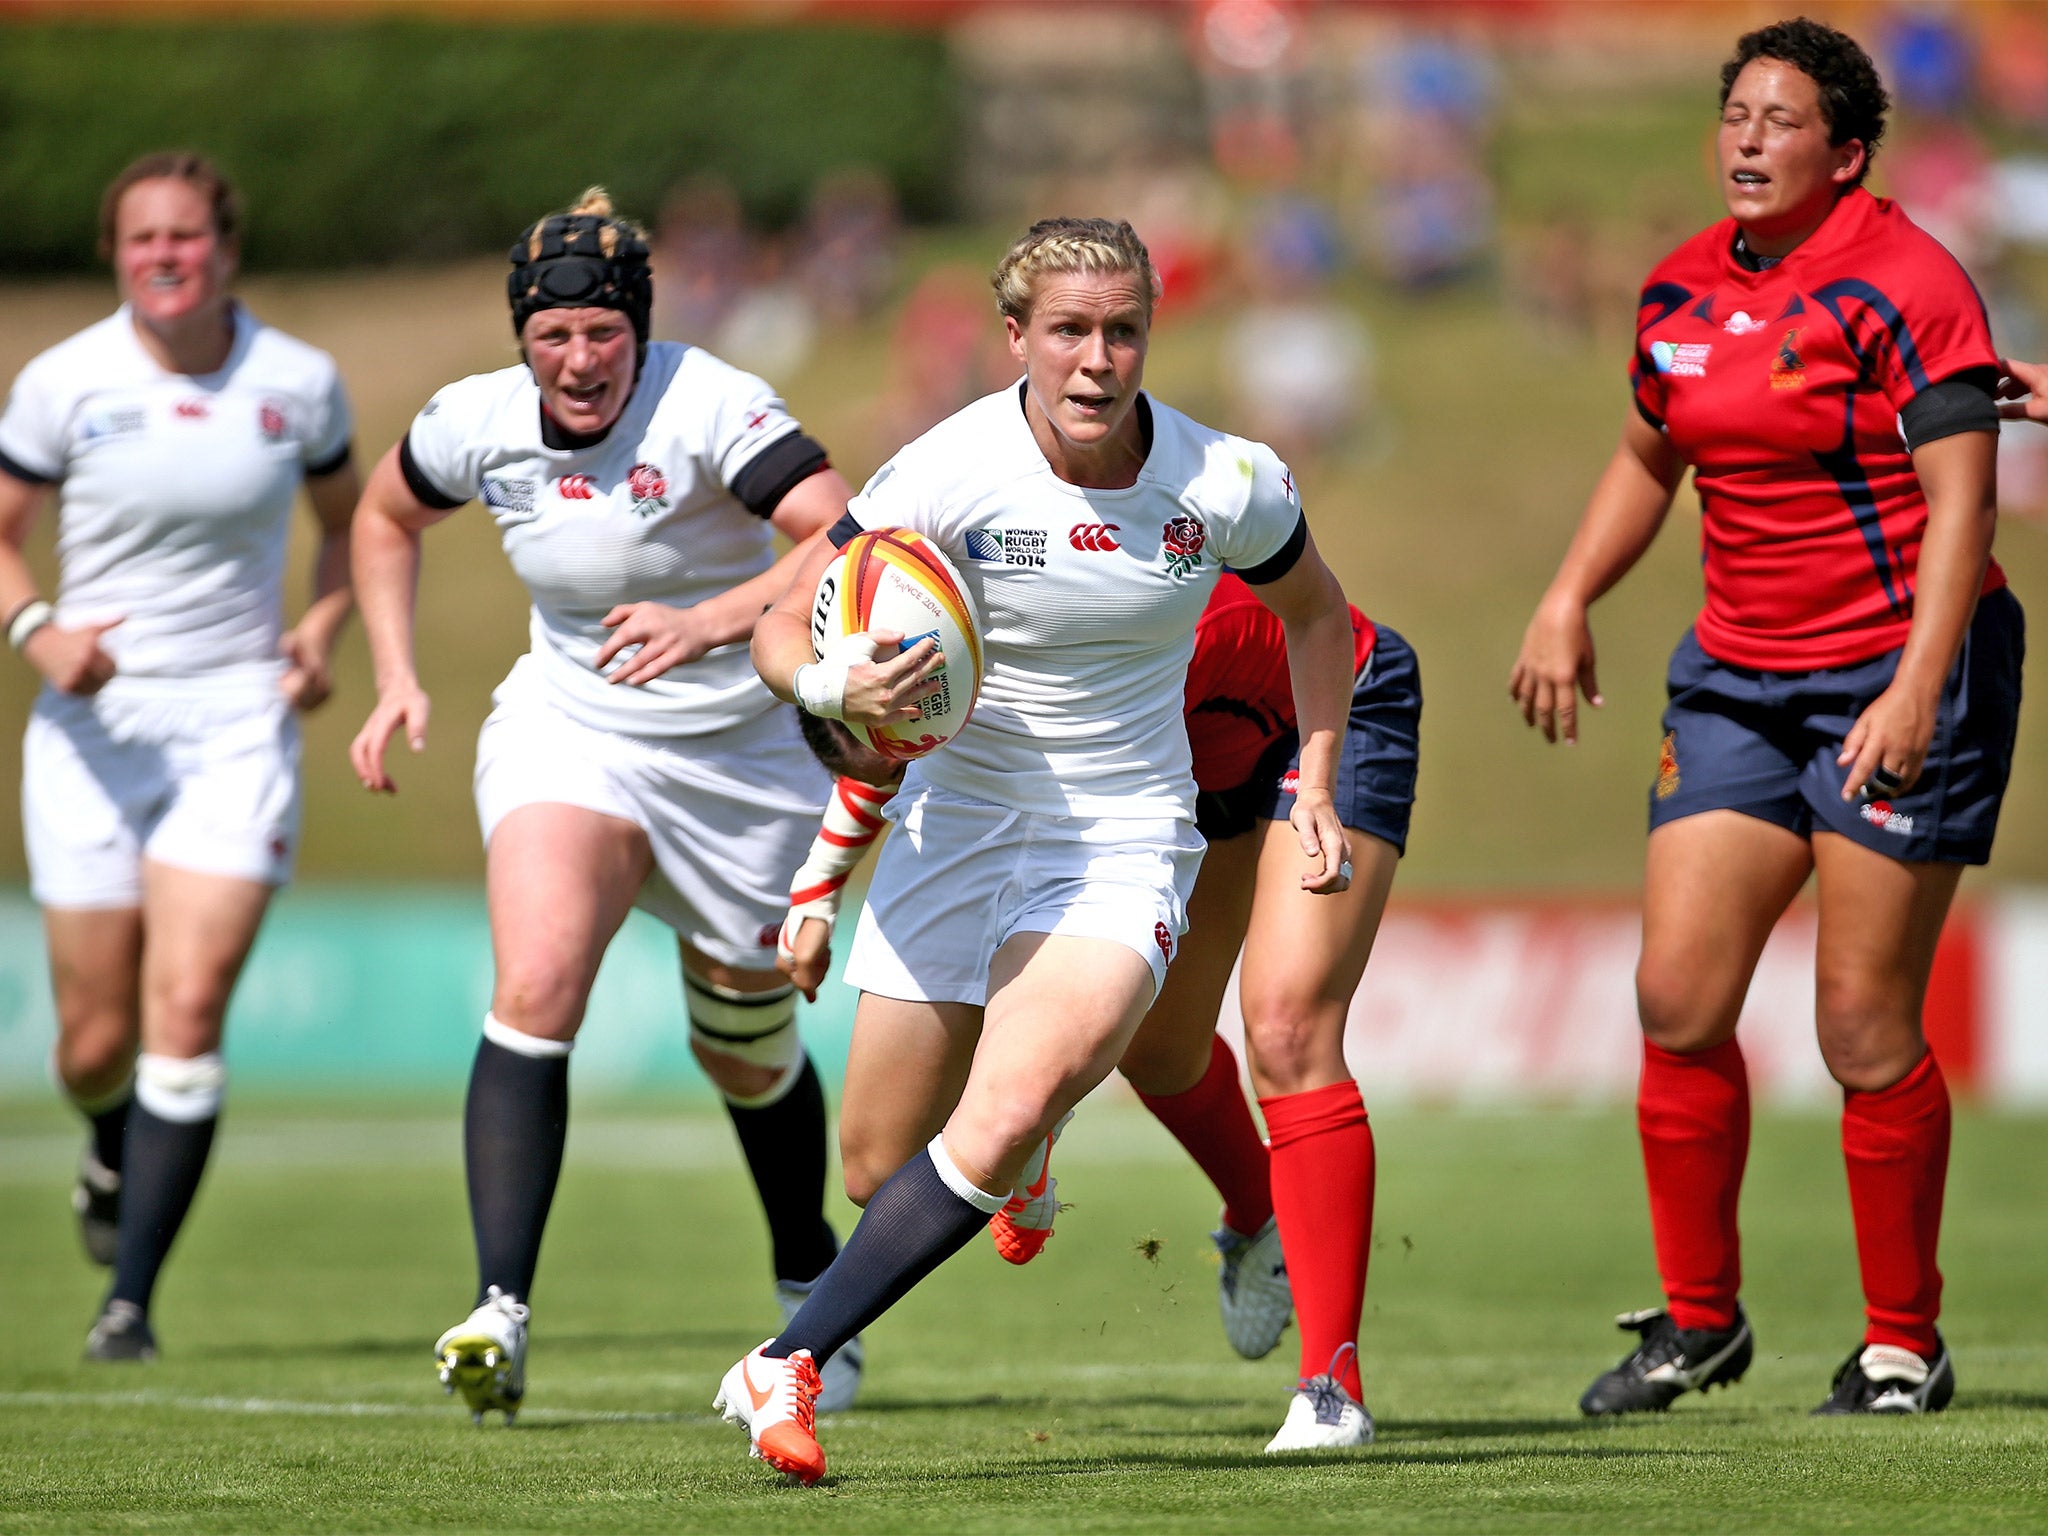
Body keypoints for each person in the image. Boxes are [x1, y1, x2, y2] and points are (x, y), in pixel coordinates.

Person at [715, 216, 1360, 1483]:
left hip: (1124, 838)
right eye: (1067, 330)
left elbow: (1318, 615)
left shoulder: (1223, 480)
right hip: (955, 825)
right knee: (873, 1166)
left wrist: (1318, 780)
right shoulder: (943, 469)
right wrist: (829, 683)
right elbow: (783, 627)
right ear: (1015, 338)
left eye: (1122, 332)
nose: (1095, 360)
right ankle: (1016, 1153)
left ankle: (780, 1364)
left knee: (1005, 1108)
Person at [1509, 19, 2021, 1418]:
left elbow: (1965, 505)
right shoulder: (1675, 286)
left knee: (1862, 1027)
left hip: (1899, 664)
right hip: (1737, 676)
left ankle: (1903, 1343)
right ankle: (1699, 1324)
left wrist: (1918, 688)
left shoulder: (1909, 283)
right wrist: (1569, 594)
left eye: (1781, 120)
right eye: (1735, 112)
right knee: (1676, 1001)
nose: (1746, 137)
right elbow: (1648, 451)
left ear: (1846, 153)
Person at [346, 189, 860, 1423]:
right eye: (551, 335)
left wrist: (714, 620)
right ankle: (499, 1314)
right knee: (534, 988)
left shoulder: (711, 405)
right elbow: (381, 517)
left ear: (638, 329)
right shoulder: (471, 419)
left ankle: (809, 1277)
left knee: (741, 1052)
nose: (577, 360)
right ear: (522, 337)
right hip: (572, 731)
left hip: (745, 759)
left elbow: (847, 531)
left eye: (601, 334)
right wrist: (397, 672)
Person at [780, 568, 1421, 1453]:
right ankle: (1256, 1216)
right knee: (1157, 1054)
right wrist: (818, 886)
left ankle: (1331, 1389)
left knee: (1287, 1029)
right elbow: (907, 747)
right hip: (1191, 751)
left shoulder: (1057, 667)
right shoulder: (956, 658)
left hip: (1324, 710)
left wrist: (1040, 1088)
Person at [0, 152, 359, 1361]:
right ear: (116, 253)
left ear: (226, 248)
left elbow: (357, 527)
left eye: (188, 236)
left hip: (236, 727)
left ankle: (129, 1304)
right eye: (144, 237)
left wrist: (319, 630)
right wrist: (35, 630)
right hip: (94, 731)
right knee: (93, 1045)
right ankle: (110, 1144)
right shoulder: (63, 383)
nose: (166, 255)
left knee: (187, 1009)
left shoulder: (299, 384)